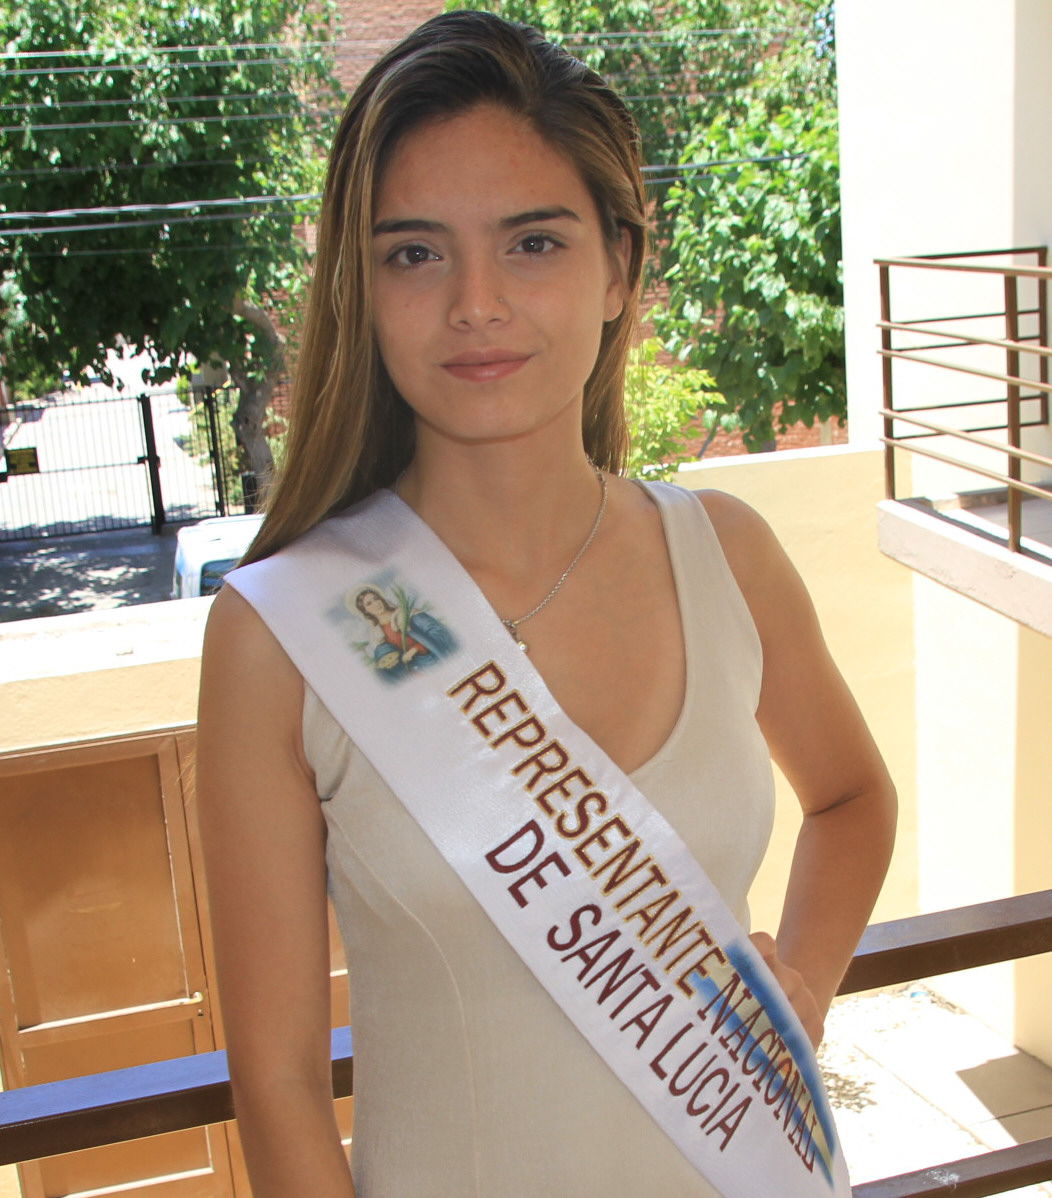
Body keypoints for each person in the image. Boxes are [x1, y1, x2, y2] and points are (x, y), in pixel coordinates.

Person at [195, 11, 896, 1197]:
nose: (475, 302)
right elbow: (277, 1083)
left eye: (531, 242)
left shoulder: (726, 556)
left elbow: (852, 797)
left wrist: (801, 1000)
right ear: (361, 286)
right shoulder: (284, 633)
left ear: (617, 268)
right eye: (413, 254)